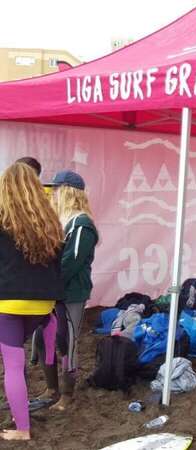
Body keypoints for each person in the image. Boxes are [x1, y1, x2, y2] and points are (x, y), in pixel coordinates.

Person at [0, 163, 63, 440]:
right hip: (42, 305)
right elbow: (58, 264)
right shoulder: (50, 221)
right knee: (17, 360)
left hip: (7, 304)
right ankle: (19, 413)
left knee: (13, 364)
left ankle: (22, 429)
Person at [34, 170, 99, 411]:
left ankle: (67, 395)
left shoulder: (81, 223)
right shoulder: (61, 221)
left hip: (70, 294)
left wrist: (46, 285)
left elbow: (71, 261)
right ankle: (52, 389)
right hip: (52, 292)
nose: (53, 193)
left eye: (57, 189)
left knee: (66, 342)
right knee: (43, 339)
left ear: (68, 192)